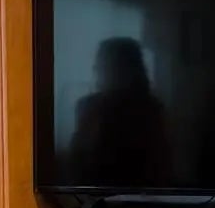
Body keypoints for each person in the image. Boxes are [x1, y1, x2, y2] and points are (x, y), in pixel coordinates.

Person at [69, 37, 172, 188]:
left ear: (127, 70)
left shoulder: (150, 110)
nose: (97, 70)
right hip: (93, 195)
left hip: (142, 196)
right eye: (98, 66)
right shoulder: (88, 106)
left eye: (104, 66)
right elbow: (76, 163)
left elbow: (159, 169)